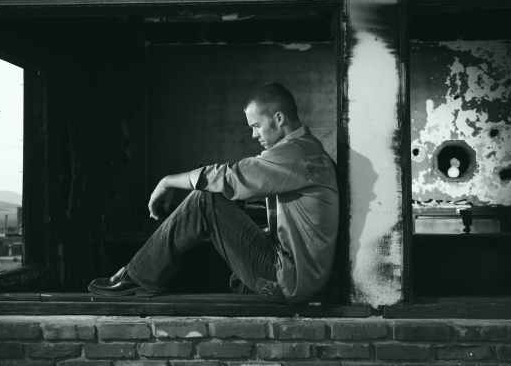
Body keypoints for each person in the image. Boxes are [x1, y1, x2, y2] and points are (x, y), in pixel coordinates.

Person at [88, 83, 339, 303]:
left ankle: (136, 278)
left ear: (279, 118)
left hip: (290, 282)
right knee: (226, 199)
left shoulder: (297, 154)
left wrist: (167, 182)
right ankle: (147, 276)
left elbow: (230, 177)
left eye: (256, 126)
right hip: (296, 277)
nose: (254, 135)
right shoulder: (305, 150)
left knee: (206, 198)